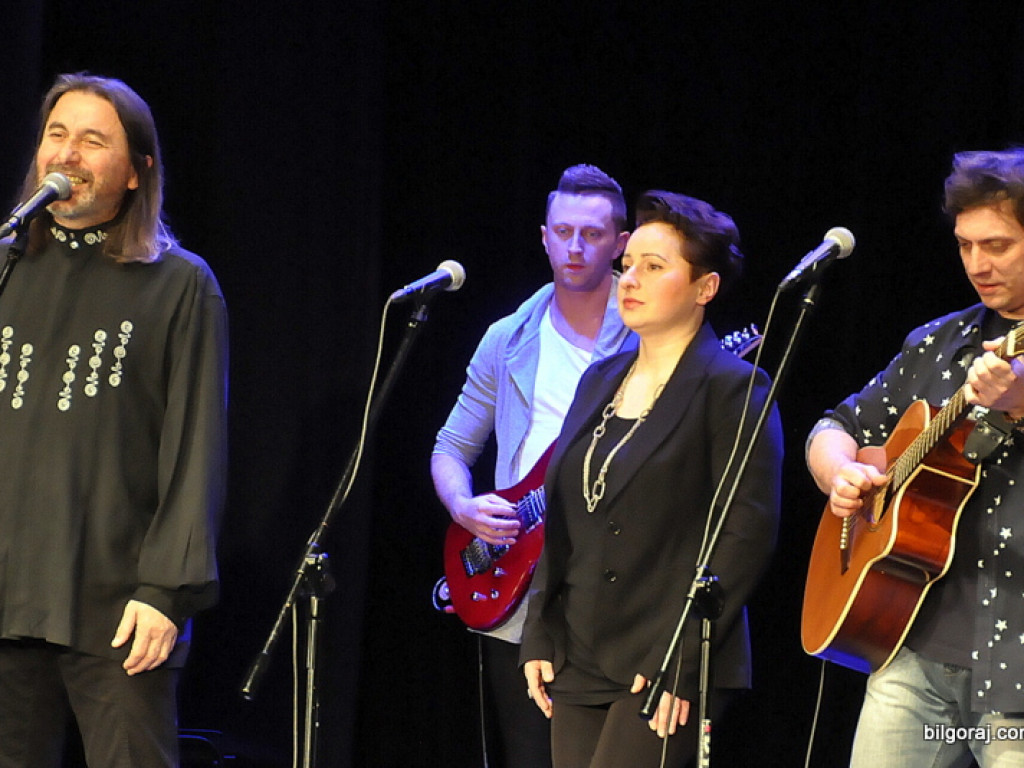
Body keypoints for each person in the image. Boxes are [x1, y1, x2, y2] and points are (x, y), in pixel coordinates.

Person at [0, 73, 228, 767]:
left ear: (136, 171)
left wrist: (166, 591)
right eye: (56, 134)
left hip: (119, 608)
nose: (66, 153)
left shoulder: (180, 284)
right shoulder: (7, 266)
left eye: (92, 140)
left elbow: (197, 449)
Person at [520, 190, 783, 767]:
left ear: (704, 288)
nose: (629, 279)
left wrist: (683, 662)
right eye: (628, 265)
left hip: (662, 660)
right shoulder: (601, 380)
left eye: (653, 267)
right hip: (578, 653)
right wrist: (538, 629)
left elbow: (746, 536)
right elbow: (563, 519)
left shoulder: (733, 387)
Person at [806, 149, 1024, 767]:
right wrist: (839, 472)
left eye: (998, 245)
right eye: (965, 245)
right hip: (913, 651)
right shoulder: (937, 342)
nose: (977, 265)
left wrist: (1019, 400)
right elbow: (836, 424)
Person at [432, 164, 634, 767]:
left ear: (621, 243)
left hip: (613, 585)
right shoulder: (507, 338)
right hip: (520, 586)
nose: (575, 247)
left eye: (592, 234)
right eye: (563, 231)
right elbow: (450, 448)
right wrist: (464, 506)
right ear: (543, 235)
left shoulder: (648, 331)